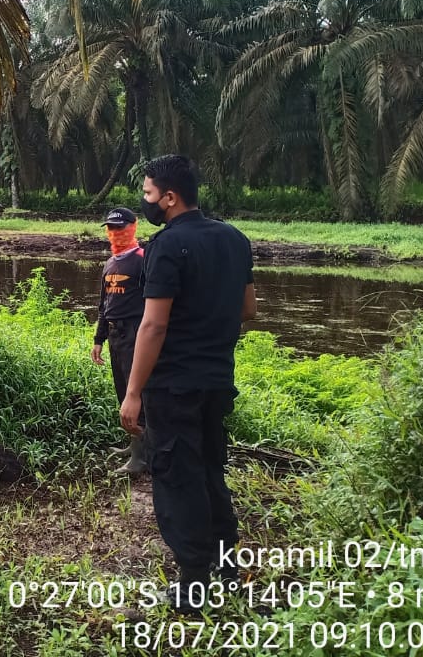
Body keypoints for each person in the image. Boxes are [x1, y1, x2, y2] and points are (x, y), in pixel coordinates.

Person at [120, 155, 257, 613]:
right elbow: (248, 310)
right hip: (217, 381)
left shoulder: (166, 247)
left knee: (178, 479)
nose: (146, 202)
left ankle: (191, 585)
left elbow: (153, 326)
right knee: (210, 471)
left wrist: (134, 392)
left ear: (170, 198)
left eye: (149, 194)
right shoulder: (235, 240)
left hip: (174, 386)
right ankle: (226, 569)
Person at [91, 207, 147, 475]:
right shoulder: (110, 263)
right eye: (111, 228)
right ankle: (133, 444)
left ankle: (141, 457)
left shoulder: (143, 260)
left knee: (138, 393)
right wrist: (99, 338)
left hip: (135, 333)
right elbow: (104, 305)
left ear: (133, 227)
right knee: (123, 391)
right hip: (114, 335)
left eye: (120, 227)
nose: (115, 233)